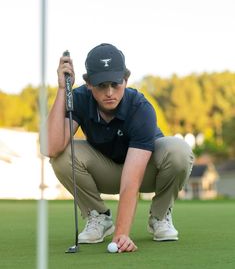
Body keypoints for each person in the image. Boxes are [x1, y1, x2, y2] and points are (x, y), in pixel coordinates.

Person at [43, 43, 194, 253]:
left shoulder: (140, 108)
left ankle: (159, 216)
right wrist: (62, 90)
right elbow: (51, 148)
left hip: (148, 171)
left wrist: (121, 234)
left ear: (126, 79)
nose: (110, 92)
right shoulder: (79, 98)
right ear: (88, 83)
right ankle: (99, 217)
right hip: (107, 171)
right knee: (61, 156)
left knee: (179, 151)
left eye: (115, 83)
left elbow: (132, 180)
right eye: (101, 85)